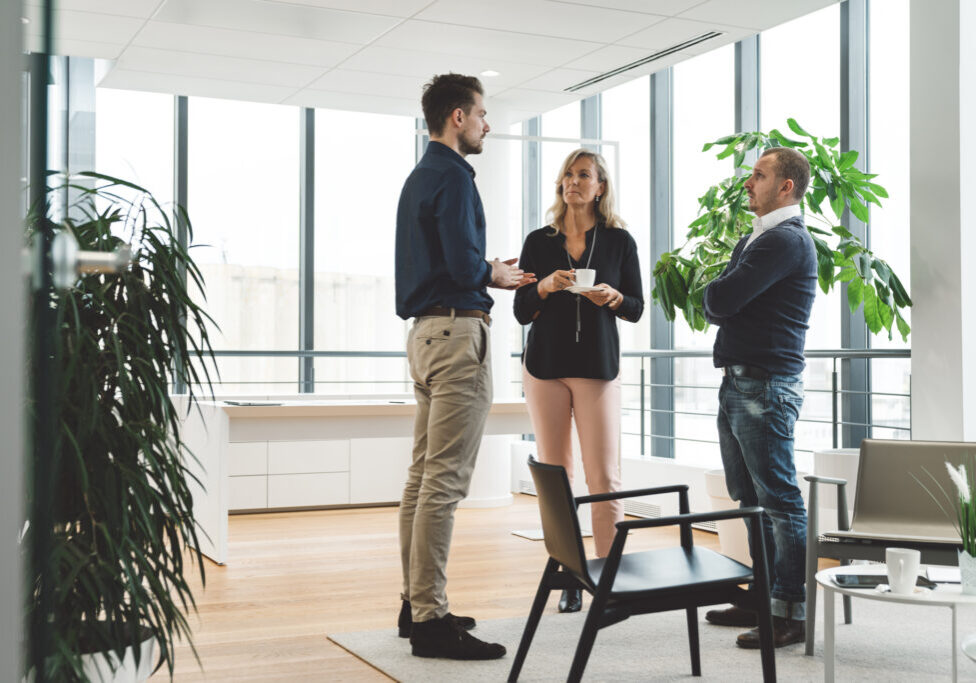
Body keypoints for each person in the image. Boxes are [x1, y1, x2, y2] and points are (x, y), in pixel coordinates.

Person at [394, 73, 535, 661]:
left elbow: (444, 259)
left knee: (422, 479)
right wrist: (492, 274)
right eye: (481, 114)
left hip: (426, 335)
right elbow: (460, 262)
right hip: (457, 336)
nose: (486, 124)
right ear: (457, 116)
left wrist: (479, 268)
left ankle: (415, 602)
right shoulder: (453, 175)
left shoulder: (420, 175)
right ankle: (430, 619)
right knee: (444, 484)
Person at [514, 148, 643, 613]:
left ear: (600, 187)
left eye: (583, 175)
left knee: (603, 475)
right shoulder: (539, 240)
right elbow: (521, 309)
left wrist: (613, 296)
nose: (573, 181)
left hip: (597, 368)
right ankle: (568, 573)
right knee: (556, 476)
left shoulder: (619, 242)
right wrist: (544, 286)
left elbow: (636, 307)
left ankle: (610, 578)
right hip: (544, 367)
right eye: (568, 174)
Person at [701, 146, 816, 649]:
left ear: (785, 186)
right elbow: (722, 301)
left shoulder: (784, 241)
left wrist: (720, 292)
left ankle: (792, 611)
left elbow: (718, 299)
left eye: (759, 175)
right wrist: (721, 294)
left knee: (779, 500)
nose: (748, 183)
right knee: (750, 498)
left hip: (764, 385)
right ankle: (762, 596)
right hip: (742, 382)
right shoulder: (760, 237)